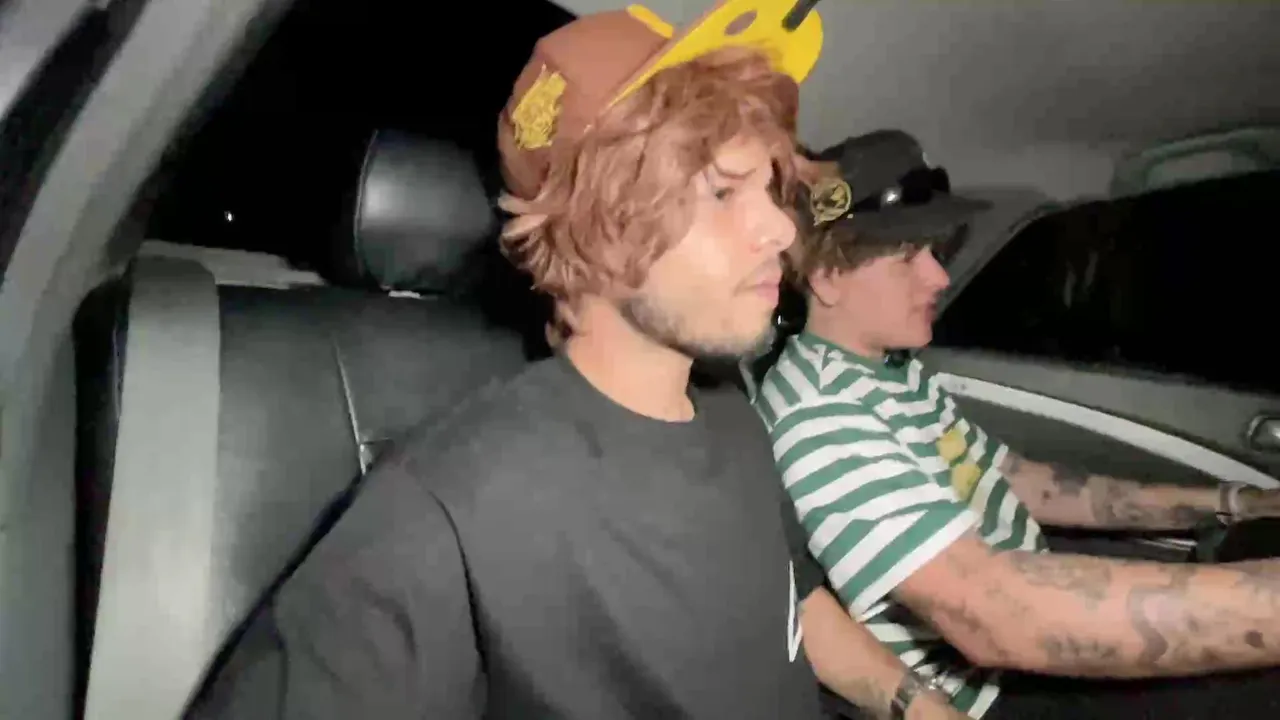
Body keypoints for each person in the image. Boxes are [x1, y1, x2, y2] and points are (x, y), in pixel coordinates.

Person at [182, 4, 963, 719]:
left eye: (770, 188)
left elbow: (790, 602)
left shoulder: (730, 416)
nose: (783, 231)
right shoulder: (445, 517)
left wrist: (914, 703)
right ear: (598, 231)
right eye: (723, 193)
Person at [755, 129, 1280, 719]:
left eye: (934, 250)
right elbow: (995, 615)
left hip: (1030, 618)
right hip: (991, 693)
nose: (939, 277)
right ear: (828, 277)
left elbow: (1012, 478)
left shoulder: (891, 369)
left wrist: (1229, 501)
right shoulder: (817, 414)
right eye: (907, 257)